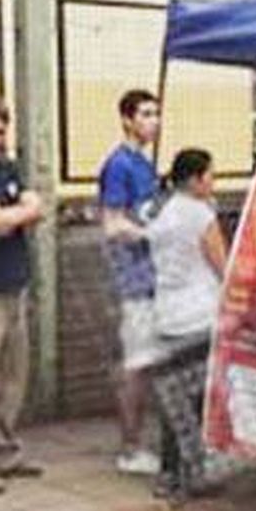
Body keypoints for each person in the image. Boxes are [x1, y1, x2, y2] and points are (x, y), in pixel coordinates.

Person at [146, 148, 226, 502]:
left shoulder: (161, 209)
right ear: (195, 180)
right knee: (193, 400)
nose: (214, 182)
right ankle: (191, 474)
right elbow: (223, 265)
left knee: (171, 401)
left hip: (166, 315)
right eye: (211, 175)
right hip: (198, 316)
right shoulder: (200, 215)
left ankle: (169, 472)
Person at [98, 89, 164, 476]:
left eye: (155, 113)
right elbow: (112, 223)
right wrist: (152, 233)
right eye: (145, 114)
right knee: (135, 365)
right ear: (126, 119)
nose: (153, 121)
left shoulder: (145, 164)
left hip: (154, 278)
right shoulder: (120, 165)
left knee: (149, 362)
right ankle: (130, 447)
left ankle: (141, 440)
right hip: (132, 281)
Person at [0, 99, 43, 488]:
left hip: (14, 282)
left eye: (3, 130)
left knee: (13, 376)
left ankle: (5, 453)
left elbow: (36, 204)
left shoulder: (7, 167)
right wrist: (17, 213)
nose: (0, 138)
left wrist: (16, 213)